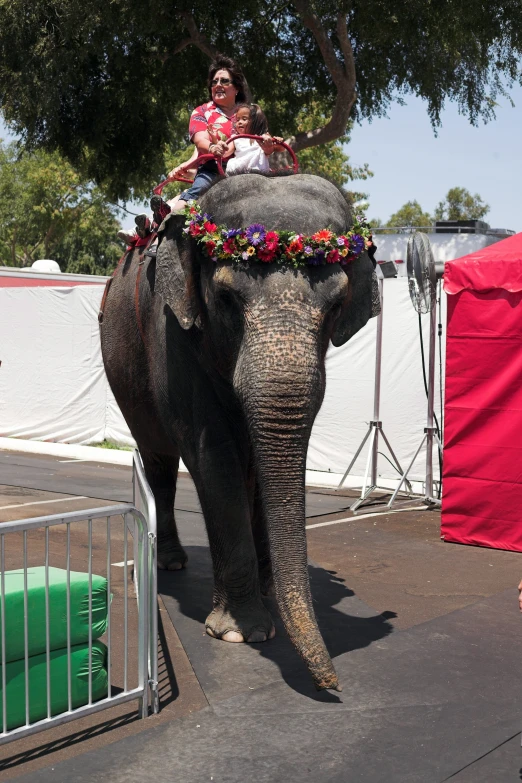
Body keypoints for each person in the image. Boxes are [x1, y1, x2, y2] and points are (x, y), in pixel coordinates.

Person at [118, 55, 250, 244]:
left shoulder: (248, 113)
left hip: (249, 170)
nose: (218, 84)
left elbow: (261, 137)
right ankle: (161, 239)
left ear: (236, 87)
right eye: (214, 82)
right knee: (190, 196)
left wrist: (271, 145)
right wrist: (212, 148)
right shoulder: (202, 111)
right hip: (214, 169)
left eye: (224, 80)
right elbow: (200, 141)